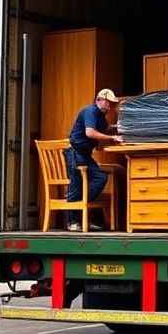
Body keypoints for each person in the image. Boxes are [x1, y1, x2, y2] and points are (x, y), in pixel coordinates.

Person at [66, 89, 123, 231]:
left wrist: (120, 129)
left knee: (100, 178)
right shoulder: (90, 111)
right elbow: (90, 132)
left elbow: (106, 128)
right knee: (76, 186)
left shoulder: (100, 117)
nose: (110, 106)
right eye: (108, 102)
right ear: (99, 100)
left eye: (112, 103)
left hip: (85, 155)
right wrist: (112, 138)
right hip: (76, 153)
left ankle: (83, 214)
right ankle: (73, 222)